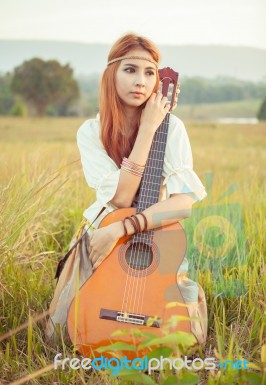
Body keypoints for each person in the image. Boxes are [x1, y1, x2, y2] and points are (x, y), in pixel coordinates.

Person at [46, 33, 208, 346]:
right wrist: (146, 130)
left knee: (183, 336)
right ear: (111, 75)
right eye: (130, 70)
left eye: (150, 73)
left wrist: (124, 227)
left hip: (154, 231)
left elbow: (183, 203)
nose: (141, 81)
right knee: (64, 333)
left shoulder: (172, 128)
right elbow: (119, 199)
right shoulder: (92, 131)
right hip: (103, 230)